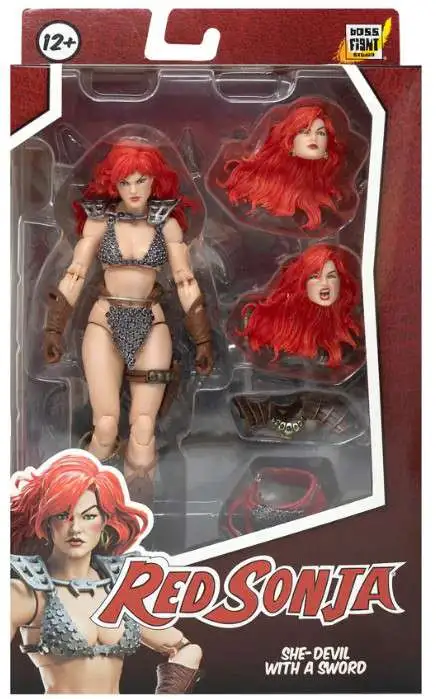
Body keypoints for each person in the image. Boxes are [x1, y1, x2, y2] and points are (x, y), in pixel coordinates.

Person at [43, 140, 213, 504]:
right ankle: (79, 502)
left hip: (151, 323)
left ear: (155, 181)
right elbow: (75, 273)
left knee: (144, 428)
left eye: (141, 180)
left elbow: (185, 280)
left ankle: (139, 507)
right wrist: (54, 327)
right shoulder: (100, 221)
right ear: (113, 183)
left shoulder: (166, 225)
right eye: (125, 182)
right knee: (105, 426)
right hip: (104, 322)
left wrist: (202, 339)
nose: (134, 190)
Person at [11, 450, 203, 694]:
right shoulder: (27, 592)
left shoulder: (117, 586)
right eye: (63, 516)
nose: (76, 528)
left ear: (104, 521)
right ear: (47, 522)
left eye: (88, 516)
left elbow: (186, 649)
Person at [237, 244, 362, 367]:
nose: (325, 284)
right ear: (303, 283)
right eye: (315, 277)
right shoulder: (285, 322)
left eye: (331, 276)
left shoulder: (345, 326)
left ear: (341, 282)